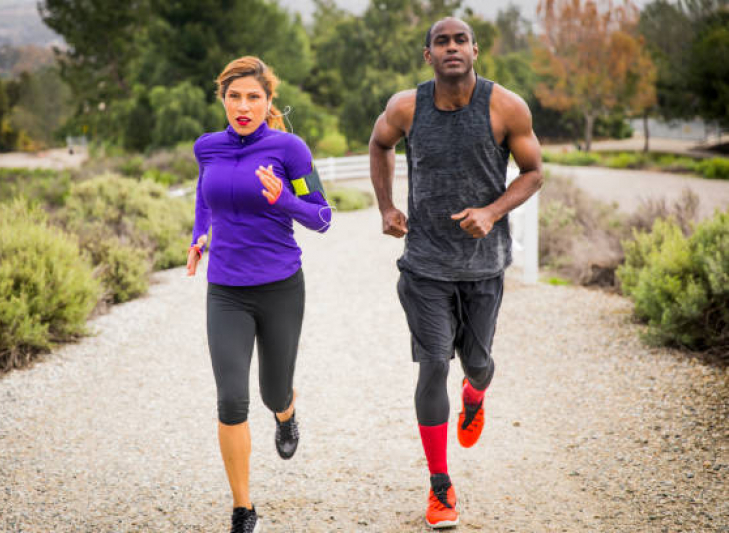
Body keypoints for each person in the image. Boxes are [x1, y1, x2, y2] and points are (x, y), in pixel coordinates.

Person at [369, 17, 543, 529]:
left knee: (478, 365)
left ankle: (476, 394)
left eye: (459, 40)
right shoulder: (407, 107)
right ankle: (440, 486)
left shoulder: (506, 107)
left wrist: (491, 212)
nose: (451, 48)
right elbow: (380, 144)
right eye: (441, 41)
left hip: (484, 268)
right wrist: (386, 207)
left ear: (474, 50)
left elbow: (534, 171)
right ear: (428, 55)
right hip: (423, 266)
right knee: (432, 367)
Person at [187, 56, 332, 533]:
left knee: (272, 391)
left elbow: (322, 218)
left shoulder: (288, 148)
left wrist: (284, 200)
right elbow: (204, 200)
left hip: (279, 288)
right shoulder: (207, 147)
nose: (243, 106)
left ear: (269, 101)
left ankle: (286, 413)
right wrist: (199, 237)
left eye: (253, 97)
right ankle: (243, 508)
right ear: (222, 100)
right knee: (231, 400)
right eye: (234, 97)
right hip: (225, 291)